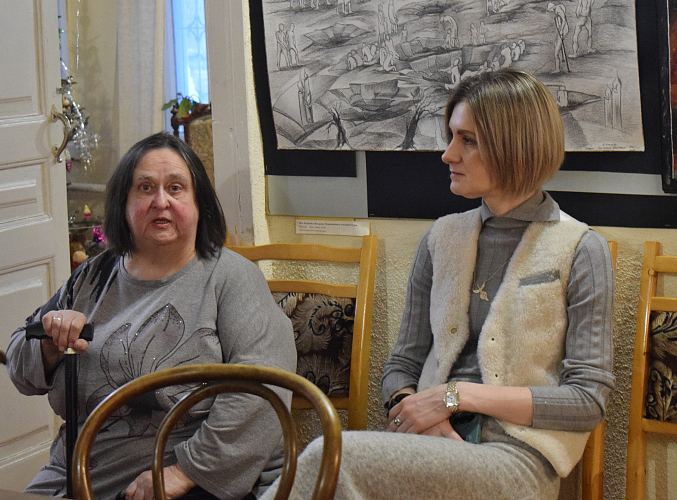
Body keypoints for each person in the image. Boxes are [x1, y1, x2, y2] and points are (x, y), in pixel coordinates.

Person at [260, 69, 614, 499]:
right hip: (426, 442)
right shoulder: (441, 239)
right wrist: (413, 412)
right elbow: (401, 365)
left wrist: (454, 396)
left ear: (515, 146)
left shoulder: (580, 249)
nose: (448, 155)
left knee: (330, 457)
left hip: (516, 460)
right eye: (451, 137)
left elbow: (587, 401)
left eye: (468, 140)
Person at [7, 132, 297, 500]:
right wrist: (50, 344)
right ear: (124, 204)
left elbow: (264, 391)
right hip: (76, 474)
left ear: (199, 202)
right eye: (145, 188)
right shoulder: (93, 276)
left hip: (190, 481)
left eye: (176, 188)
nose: (161, 201)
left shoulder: (232, 278)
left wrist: (185, 472)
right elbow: (19, 364)